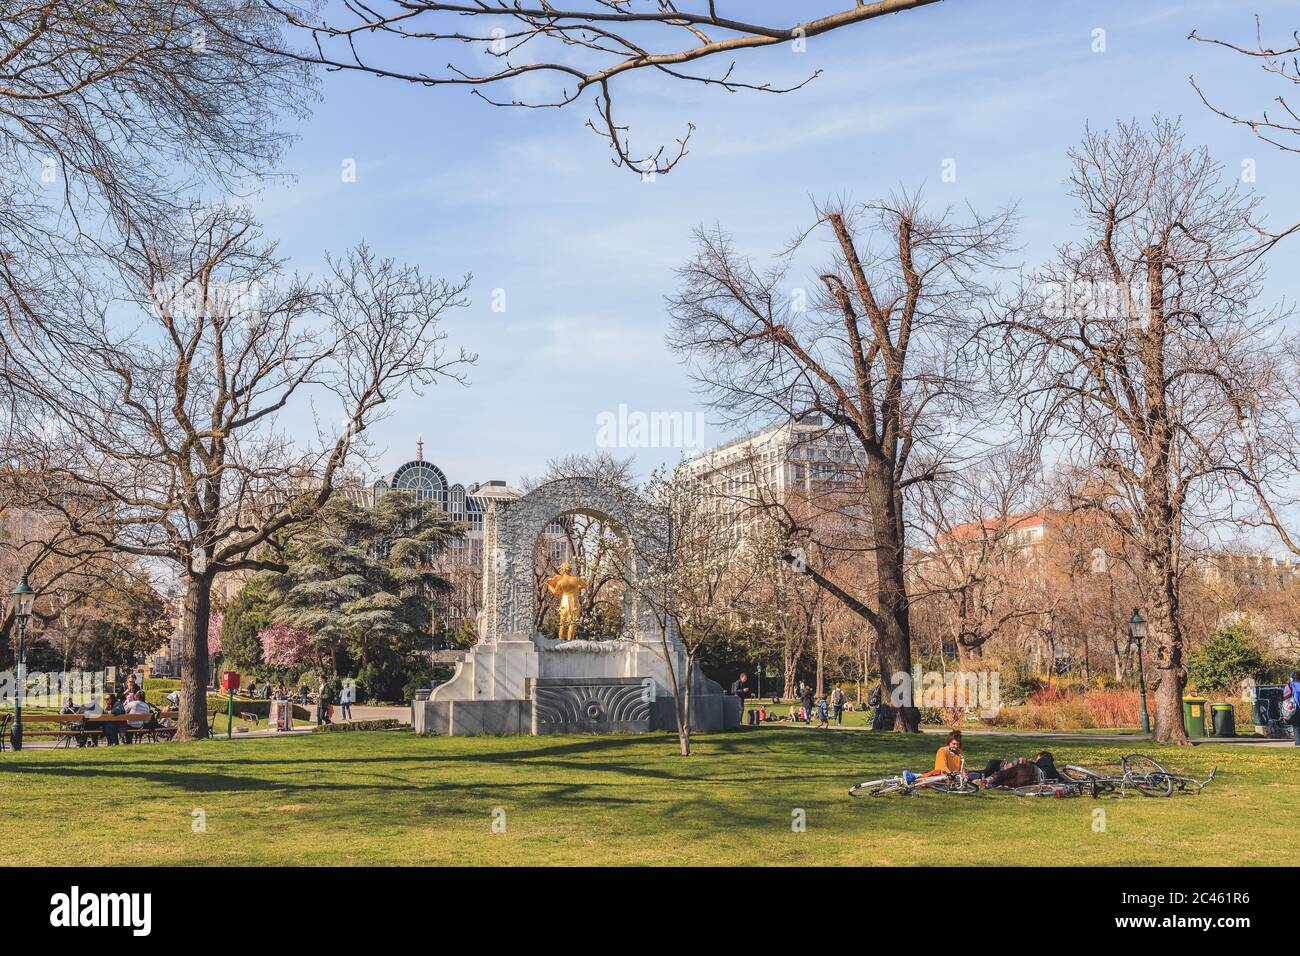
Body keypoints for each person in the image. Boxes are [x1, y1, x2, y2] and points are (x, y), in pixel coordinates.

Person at [1283, 671, 1300, 747]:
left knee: (1296, 725)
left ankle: (1298, 742)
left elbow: (1285, 696)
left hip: (1294, 708)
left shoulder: (1290, 685)